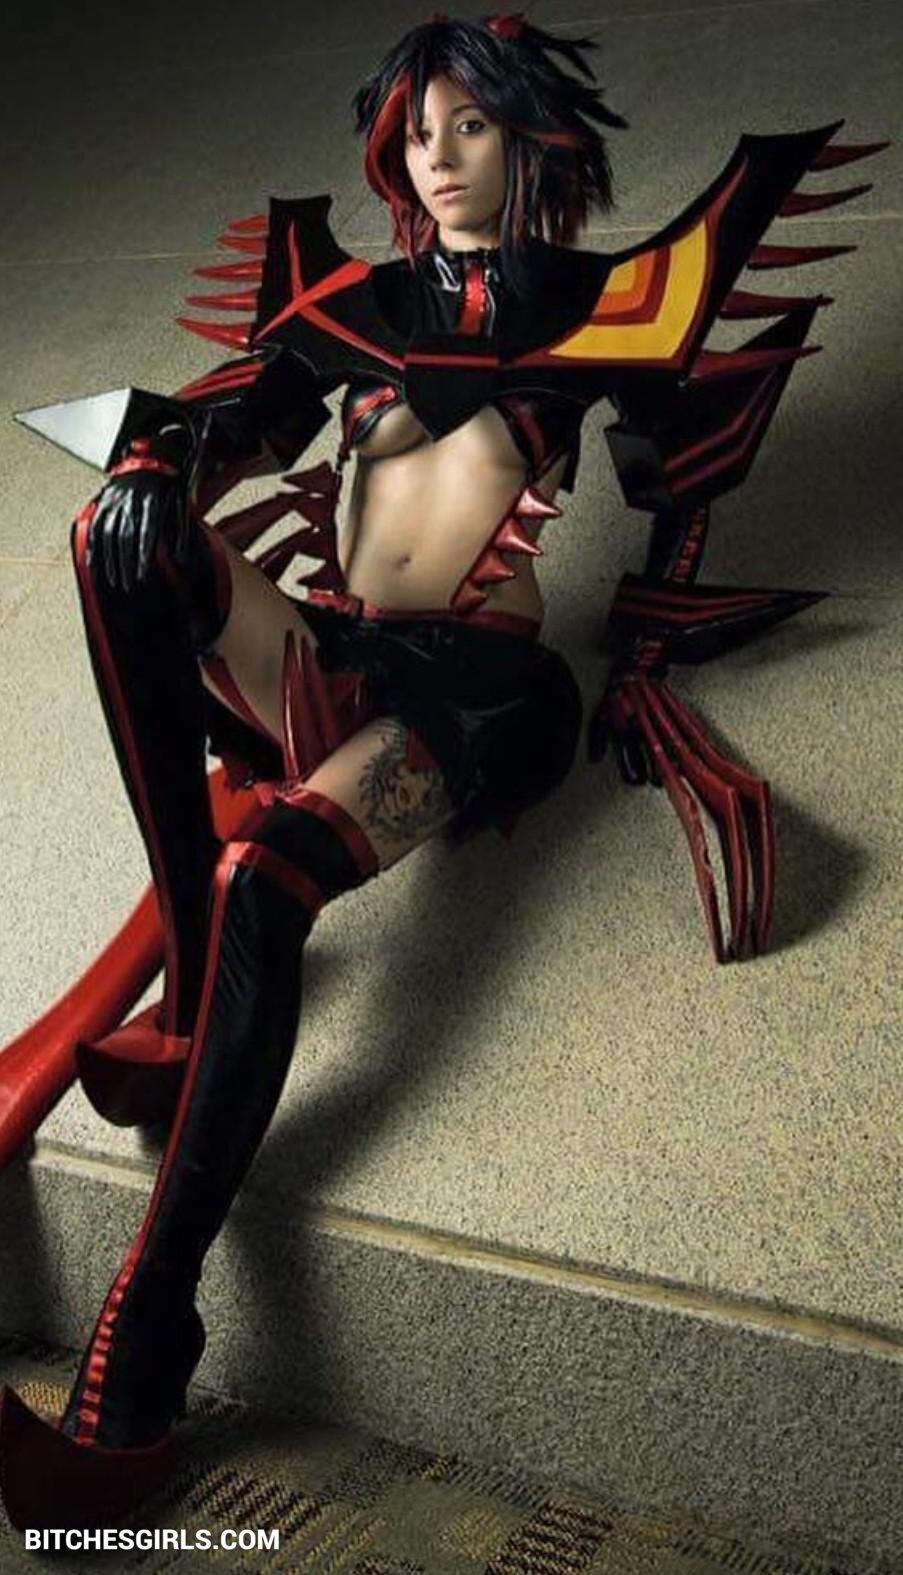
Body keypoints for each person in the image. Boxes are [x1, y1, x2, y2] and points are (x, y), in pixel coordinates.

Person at [0, 10, 878, 1531]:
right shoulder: (354, 307)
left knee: (268, 879)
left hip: (481, 692)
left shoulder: (607, 300)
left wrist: (647, 665)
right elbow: (239, 421)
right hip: (330, 655)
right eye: (418, 135)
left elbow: (676, 476)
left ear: (529, 137)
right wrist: (155, 464)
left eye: (471, 126)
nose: (442, 160)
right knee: (111, 534)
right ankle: (193, 970)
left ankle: (141, 1357)